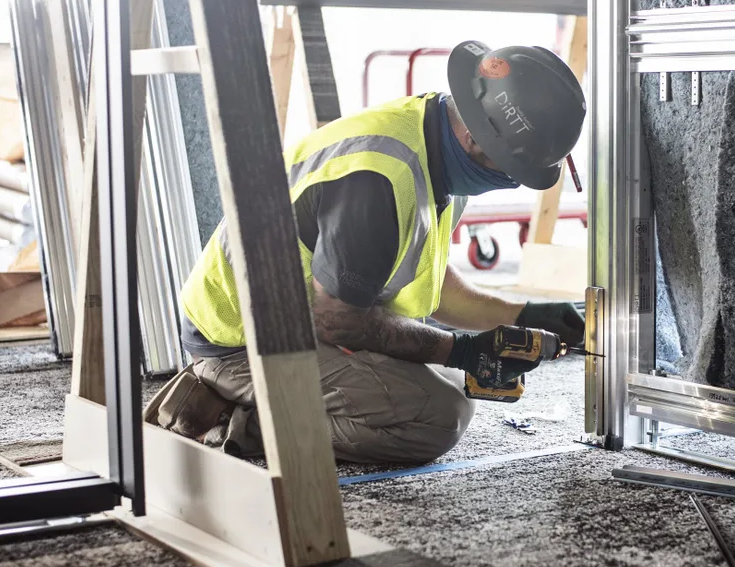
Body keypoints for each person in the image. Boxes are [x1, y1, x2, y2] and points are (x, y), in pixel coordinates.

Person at [149, 40, 588, 464]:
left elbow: (425, 283)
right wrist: (462, 351)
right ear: (477, 138)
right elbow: (338, 321)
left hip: (304, 315)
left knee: (445, 379)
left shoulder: (431, 142)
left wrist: (520, 315)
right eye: (513, 170)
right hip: (241, 340)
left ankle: (245, 395)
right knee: (438, 415)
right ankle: (229, 417)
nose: (512, 182)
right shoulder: (376, 180)